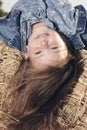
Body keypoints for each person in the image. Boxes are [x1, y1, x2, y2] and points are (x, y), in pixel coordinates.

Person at [0, 0, 87, 130]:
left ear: (27, 52)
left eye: (38, 52)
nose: (44, 43)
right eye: (54, 48)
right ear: (67, 48)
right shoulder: (74, 28)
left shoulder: (11, 34)